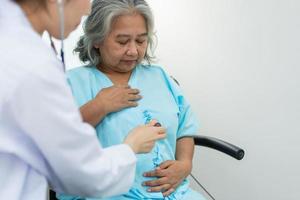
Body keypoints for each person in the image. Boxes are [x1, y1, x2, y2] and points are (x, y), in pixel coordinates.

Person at [0, 0, 166, 199]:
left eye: (140, 40)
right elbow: (82, 174)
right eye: (122, 41)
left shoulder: (14, 44)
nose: (88, 8)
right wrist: (131, 146)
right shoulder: (33, 65)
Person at [57, 0, 205, 199]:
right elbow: (58, 141)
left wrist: (185, 165)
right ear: (97, 40)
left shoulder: (159, 77)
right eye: (122, 41)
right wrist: (99, 106)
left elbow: (185, 128)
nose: (133, 51)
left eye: (141, 41)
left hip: (175, 193)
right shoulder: (72, 82)